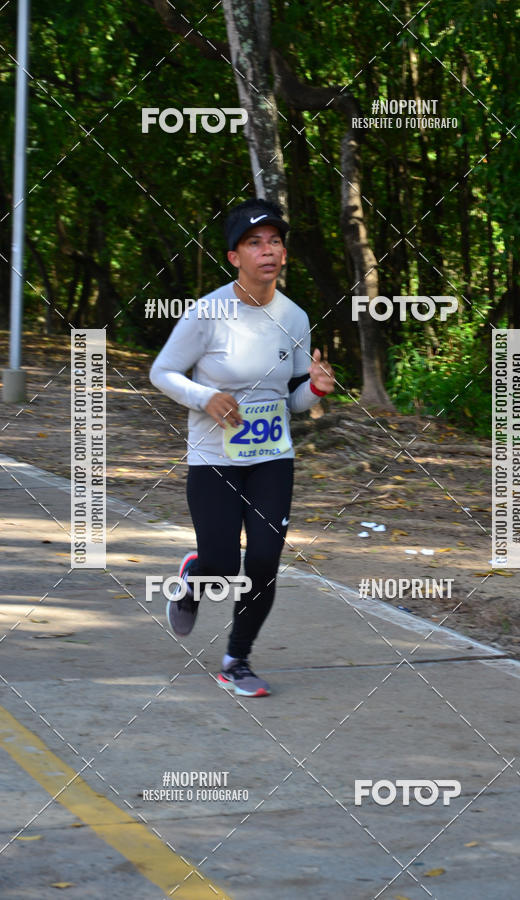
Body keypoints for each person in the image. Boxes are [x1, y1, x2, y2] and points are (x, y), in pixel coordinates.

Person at [149, 198, 335, 697]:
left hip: (273, 457)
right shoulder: (207, 313)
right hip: (215, 459)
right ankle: (194, 577)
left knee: (265, 560)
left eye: (275, 241)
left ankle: (237, 661)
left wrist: (315, 388)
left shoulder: (294, 318)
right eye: (255, 243)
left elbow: (292, 401)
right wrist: (205, 396)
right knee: (223, 563)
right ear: (235, 257)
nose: (268, 250)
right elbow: (161, 372)